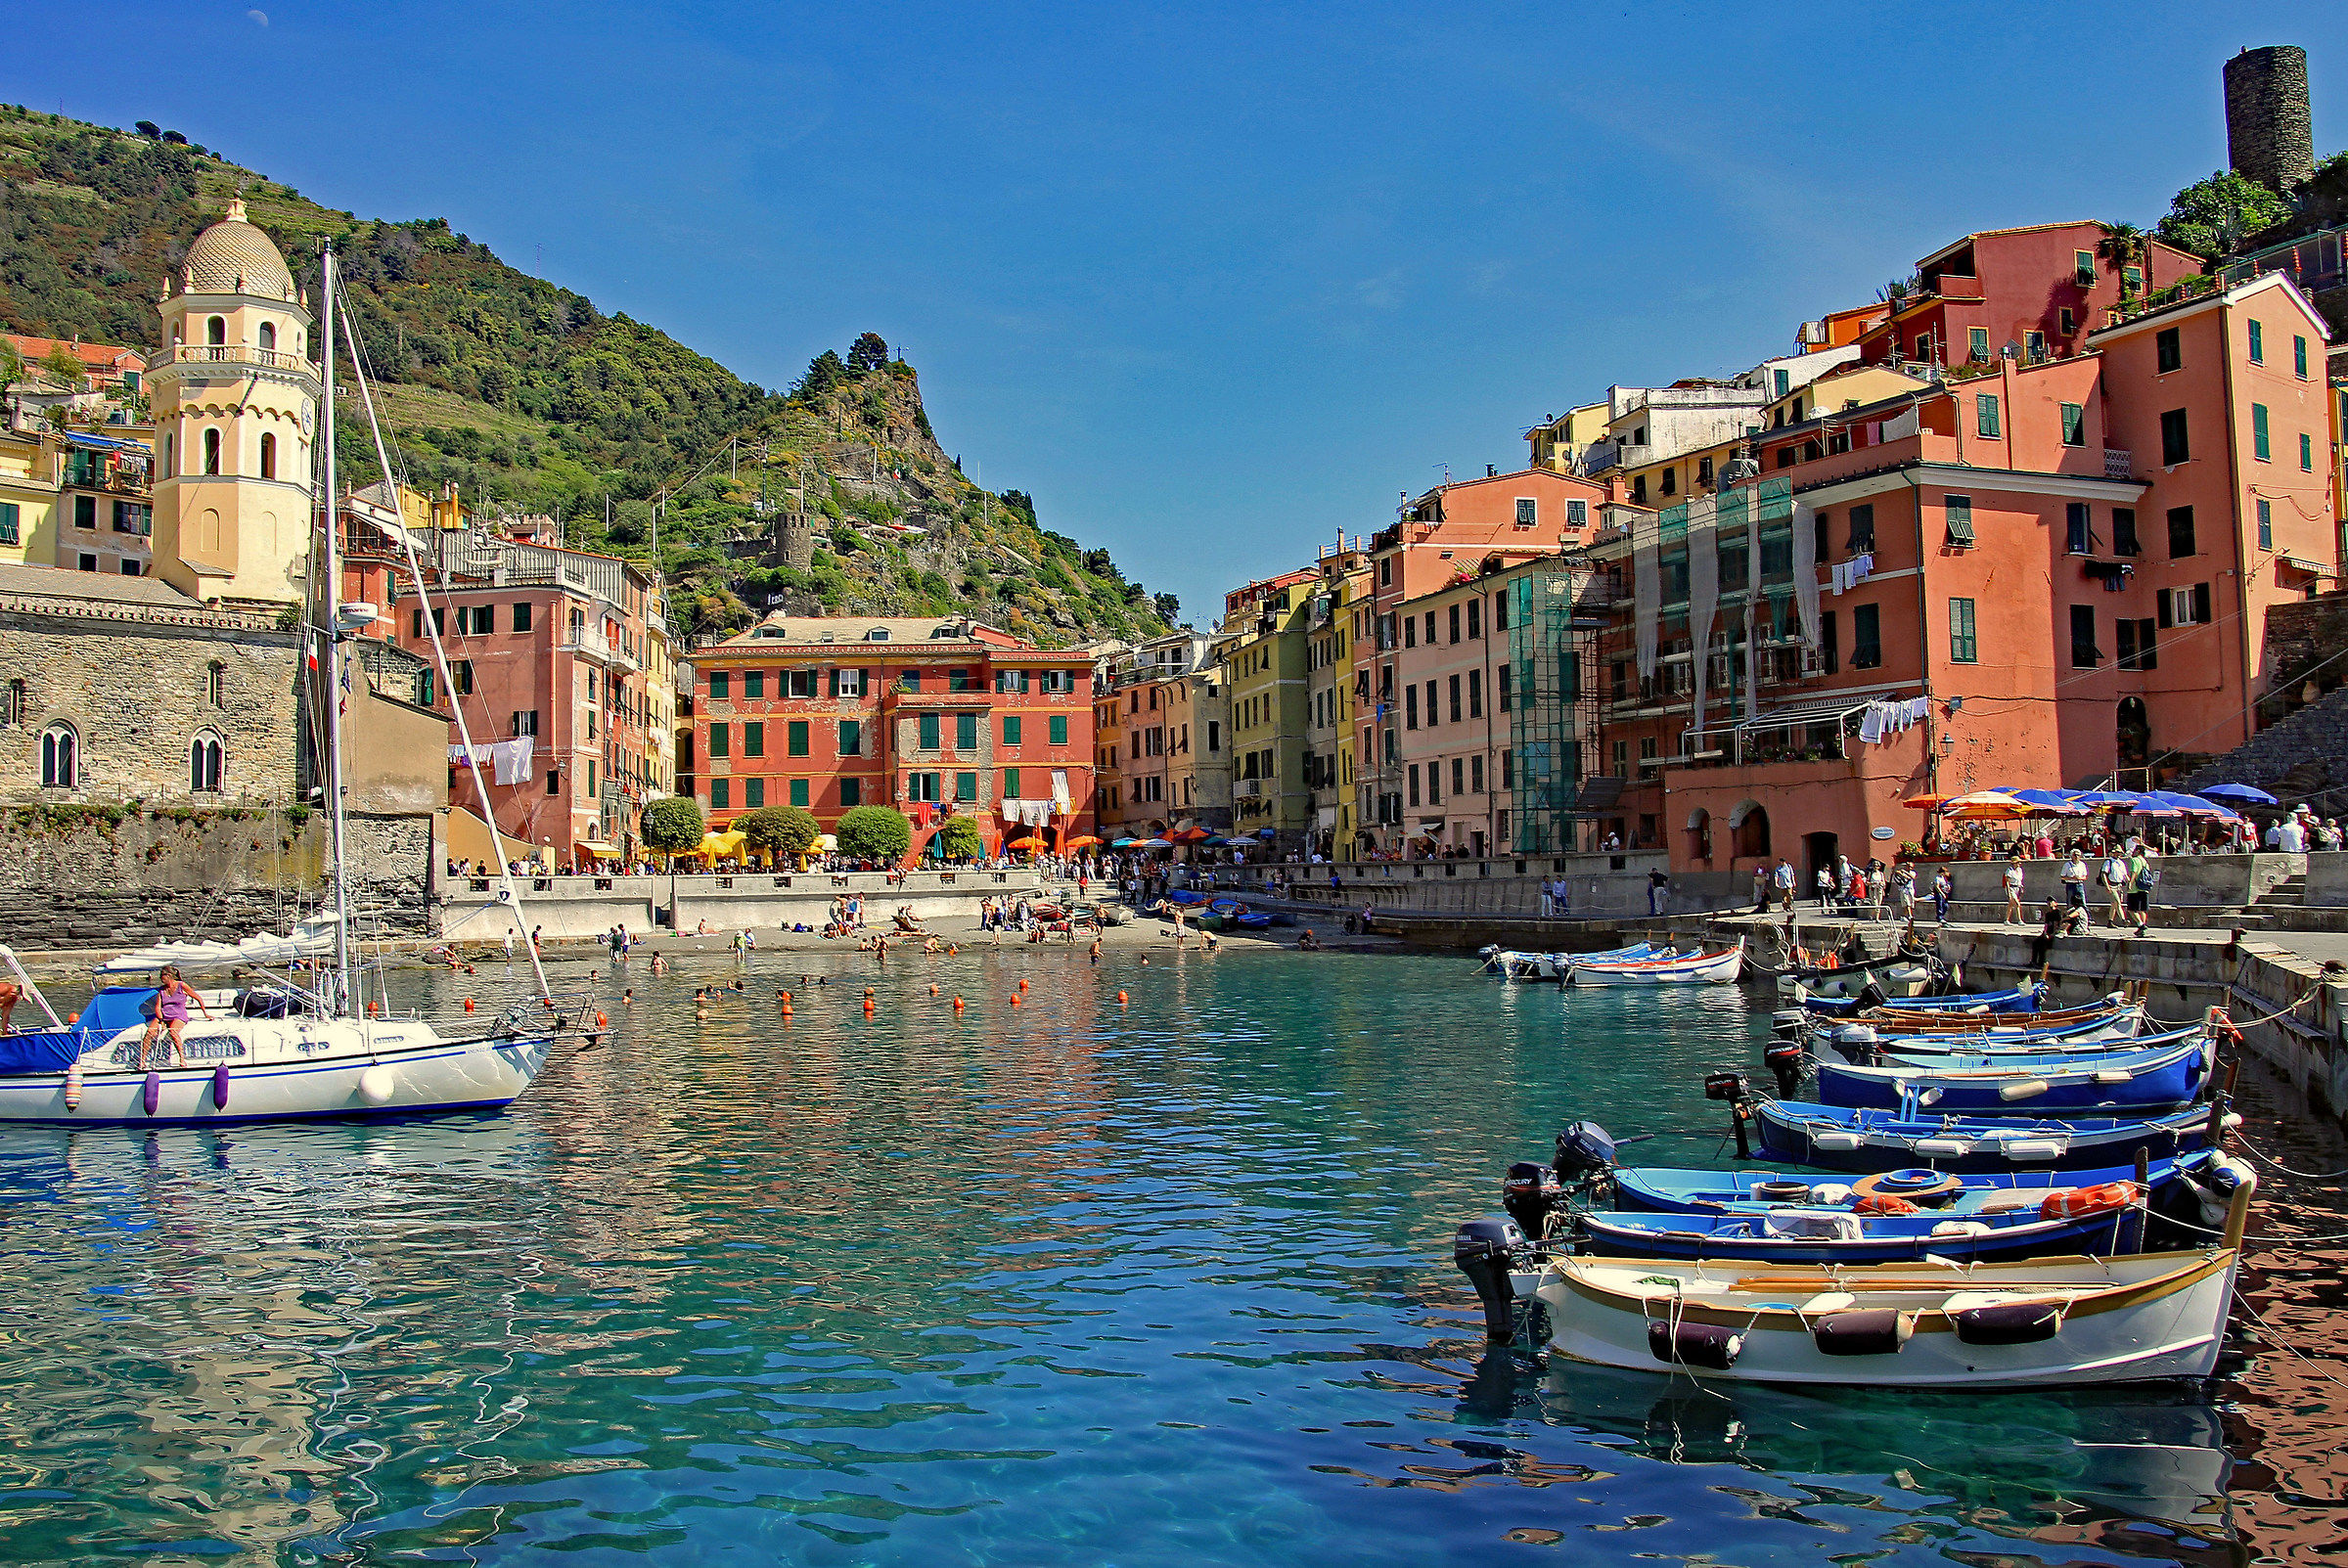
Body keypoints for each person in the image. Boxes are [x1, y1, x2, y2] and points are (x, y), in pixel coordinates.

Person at [139, 965, 209, 1070]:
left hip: (178, 1015)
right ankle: (142, 1060)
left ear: (169, 976)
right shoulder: (162, 990)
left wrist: (205, 1013)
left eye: (162, 976)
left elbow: (197, 997)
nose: (161, 978)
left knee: (173, 1032)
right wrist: (161, 1019)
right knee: (150, 1033)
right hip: (164, 1016)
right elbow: (158, 1007)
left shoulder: (181, 985)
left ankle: (182, 1058)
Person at [2126, 845, 2157, 932]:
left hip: (2135, 888)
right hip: (2144, 887)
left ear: (2138, 851)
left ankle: (2140, 925)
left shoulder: (2134, 860)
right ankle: (2143, 929)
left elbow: (2134, 872)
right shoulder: (2145, 861)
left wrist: (2130, 883)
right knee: (2143, 910)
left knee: (2131, 909)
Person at [2100, 849, 2128, 925]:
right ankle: (2123, 919)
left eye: (2120, 853)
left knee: (2114, 904)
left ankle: (2110, 921)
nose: (2118, 854)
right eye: (2117, 853)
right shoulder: (2108, 862)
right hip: (2112, 885)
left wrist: (2130, 882)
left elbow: (2125, 875)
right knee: (2117, 902)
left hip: (2119, 885)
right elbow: (2104, 874)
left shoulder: (2121, 863)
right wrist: (2107, 885)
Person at [2060, 850, 2090, 918]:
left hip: (2079, 884)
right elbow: (2062, 877)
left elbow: (2085, 876)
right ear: (2072, 856)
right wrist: (2071, 878)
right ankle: (2070, 917)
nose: (2076, 857)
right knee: (2070, 902)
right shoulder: (2067, 865)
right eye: (2075, 855)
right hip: (2070, 885)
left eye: (2078, 855)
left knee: (2082, 901)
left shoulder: (2082, 864)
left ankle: (2087, 917)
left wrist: (2079, 878)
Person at [2003, 858, 2025, 923]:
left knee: (2010, 905)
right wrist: (2009, 892)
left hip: (2018, 888)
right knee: (2017, 904)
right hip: (2011, 888)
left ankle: (2006, 920)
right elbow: (2007, 882)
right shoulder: (2009, 870)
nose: (2019, 864)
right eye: (2017, 862)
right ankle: (2019, 920)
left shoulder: (2020, 870)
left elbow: (2020, 880)